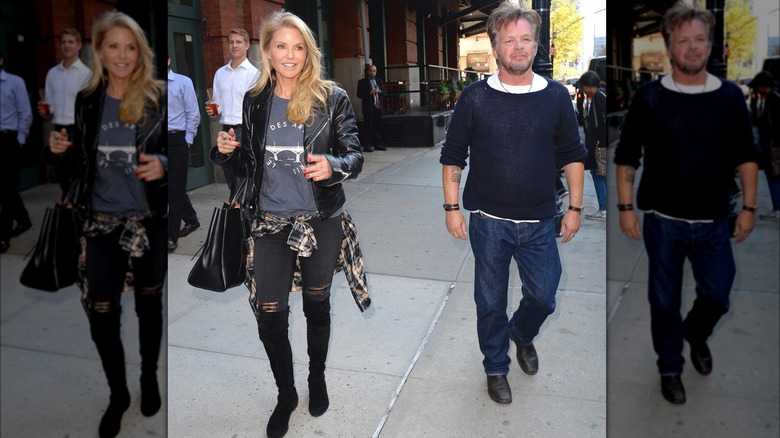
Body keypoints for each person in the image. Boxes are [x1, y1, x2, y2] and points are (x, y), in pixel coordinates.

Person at [211, 11, 366, 438]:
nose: (290, 55)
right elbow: (248, 163)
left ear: (308, 51)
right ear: (267, 51)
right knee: (269, 313)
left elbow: (355, 154)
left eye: (298, 47)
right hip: (270, 223)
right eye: (281, 46)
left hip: (321, 219)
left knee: (317, 304)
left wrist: (332, 165)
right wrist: (225, 150)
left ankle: (316, 378)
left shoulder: (330, 97)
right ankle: (286, 393)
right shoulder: (255, 99)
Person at [440, 3, 586, 405]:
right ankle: (496, 367)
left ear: (537, 44)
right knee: (489, 302)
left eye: (525, 39)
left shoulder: (556, 96)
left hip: (541, 220)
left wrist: (575, 207)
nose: (518, 48)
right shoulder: (474, 98)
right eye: (509, 40)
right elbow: (453, 155)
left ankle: (521, 334)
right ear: (495, 46)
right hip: (488, 222)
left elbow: (573, 154)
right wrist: (452, 208)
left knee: (543, 295)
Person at [614, 2, 758, 405]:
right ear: (669, 46)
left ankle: (695, 333)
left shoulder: (730, 98)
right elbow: (627, 156)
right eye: (683, 41)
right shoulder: (649, 98)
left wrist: (748, 207)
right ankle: (670, 367)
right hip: (663, 223)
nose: (692, 48)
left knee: (717, 294)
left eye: (700, 40)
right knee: (663, 302)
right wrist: (626, 209)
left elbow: (747, 155)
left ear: (710, 45)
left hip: (715, 220)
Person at [46, 11, 167, 437]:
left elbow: (174, 148)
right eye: (113, 46)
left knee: (150, 304)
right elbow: (81, 164)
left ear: (140, 52)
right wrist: (61, 150)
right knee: (102, 313)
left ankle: (149, 376)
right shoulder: (88, 100)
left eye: (130, 46)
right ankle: (119, 394)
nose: (122, 54)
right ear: (98, 51)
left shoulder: (157, 97)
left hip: (145, 221)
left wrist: (164, 164)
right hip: (98, 222)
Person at [207, 28, 259, 200]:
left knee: (244, 178)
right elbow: (217, 104)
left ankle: (244, 215)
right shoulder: (220, 73)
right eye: (231, 42)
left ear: (247, 45)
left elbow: (255, 108)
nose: (234, 45)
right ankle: (237, 215)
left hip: (245, 130)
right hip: (225, 130)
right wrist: (213, 110)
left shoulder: (254, 74)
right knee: (230, 176)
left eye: (238, 42)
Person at [40, 28, 91, 200]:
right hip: (57, 128)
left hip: (77, 130)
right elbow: (49, 106)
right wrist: (45, 112)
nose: (67, 45)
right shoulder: (52, 74)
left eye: (71, 42)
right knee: (61, 174)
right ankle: (69, 213)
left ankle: (74, 212)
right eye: (63, 42)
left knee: (77, 175)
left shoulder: (87, 74)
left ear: (79, 45)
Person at [0, 54, 34, 254]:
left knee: (6, 189)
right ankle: (23, 219)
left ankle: (3, 236)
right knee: (5, 190)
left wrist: (20, 139)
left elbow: (25, 112)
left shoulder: (15, 82)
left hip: (8, 139)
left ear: (1, 60)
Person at [167, 56, 201, 252]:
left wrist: (188, 139)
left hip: (176, 140)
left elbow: (193, 113)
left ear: (169, 59)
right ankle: (191, 218)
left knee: (174, 187)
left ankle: (171, 237)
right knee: (172, 187)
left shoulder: (183, 82)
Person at [749, 71, 780, 220]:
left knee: (773, 174)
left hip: (773, 145)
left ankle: (777, 207)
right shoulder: (769, 99)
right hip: (771, 143)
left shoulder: (773, 100)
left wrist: (772, 142)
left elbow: (772, 124)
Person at [577, 71, 607, 220]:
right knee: (602, 173)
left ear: (589, 85)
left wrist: (600, 141)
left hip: (600, 144)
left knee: (598, 173)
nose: (582, 90)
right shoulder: (600, 95)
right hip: (603, 142)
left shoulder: (598, 97)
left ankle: (604, 209)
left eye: (583, 87)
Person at [356, 64, 387, 152]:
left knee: (377, 126)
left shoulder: (379, 81)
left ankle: (378, 144)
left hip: (378, 106)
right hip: (368, 107)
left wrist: (379, 91)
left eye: (374, 71)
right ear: (367, 71)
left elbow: (385, 92)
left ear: (376, 72)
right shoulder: (362, 82)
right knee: (368, 126)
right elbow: (359, 94)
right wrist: (369, 93)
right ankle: (367, 145)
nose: (372, 72)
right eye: (370, 71)